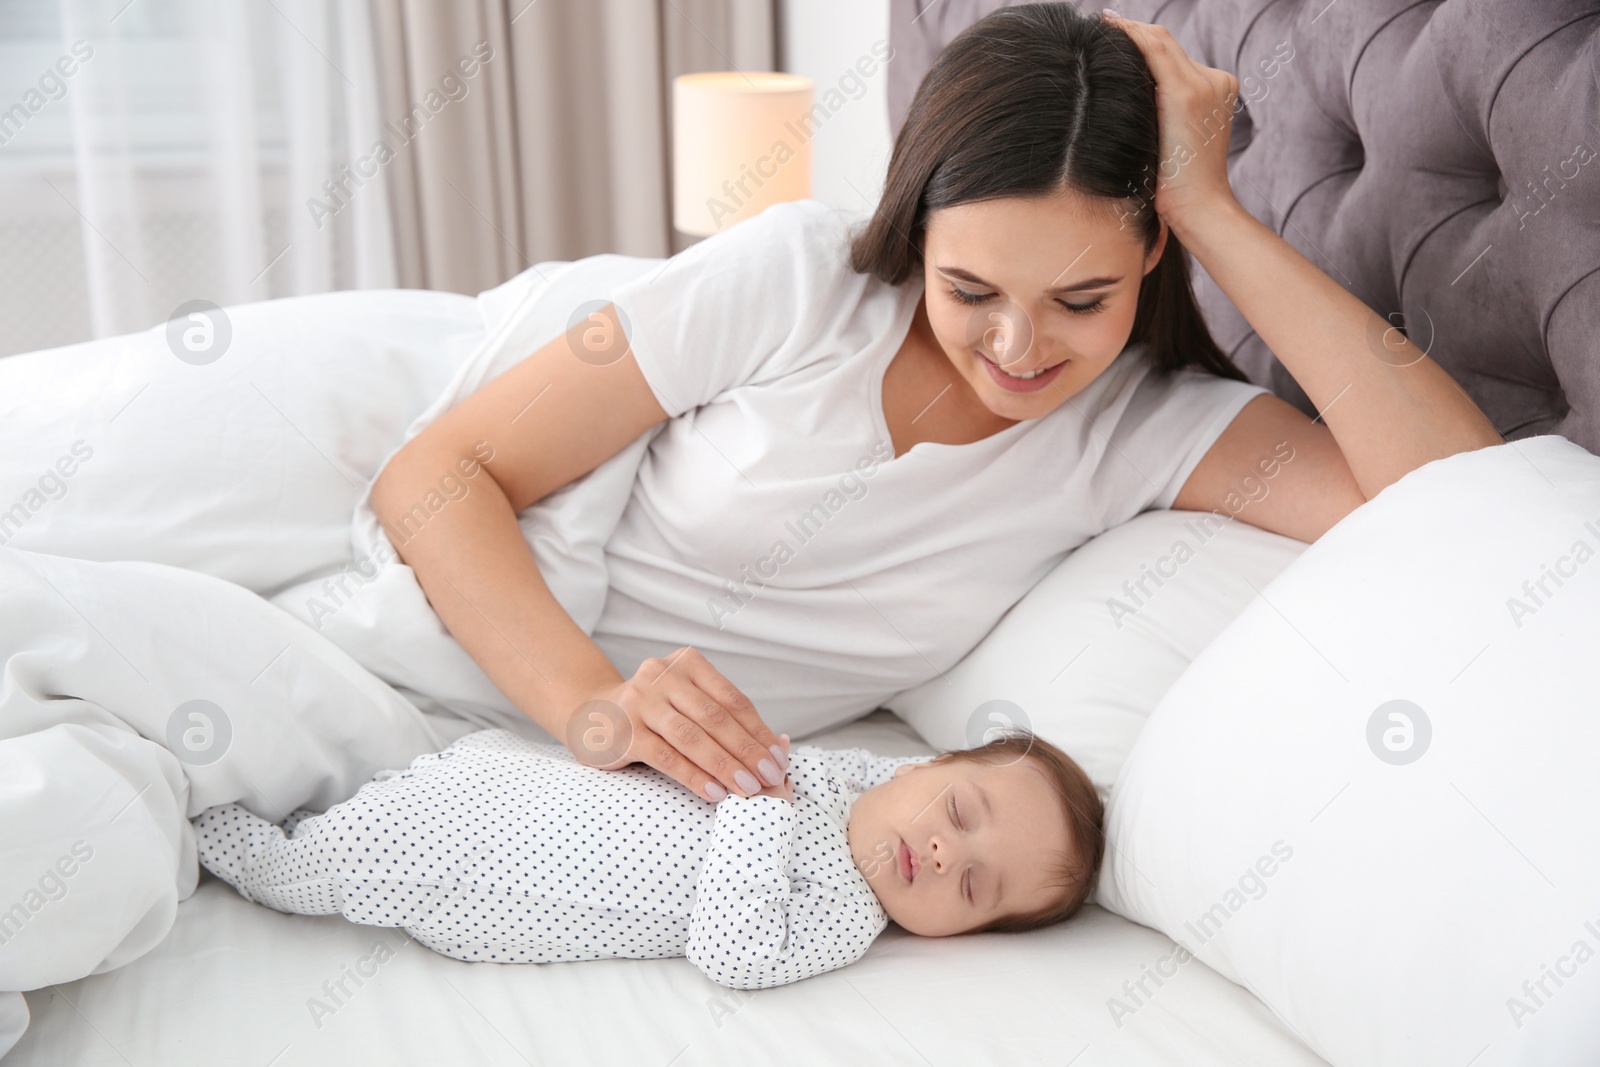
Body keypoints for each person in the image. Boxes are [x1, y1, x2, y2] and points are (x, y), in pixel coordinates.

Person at [365, 2, 1503, 807]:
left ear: (1151, 251)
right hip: (453, 663)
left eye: (1079, 297)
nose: (1015, 347)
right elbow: (436, 474)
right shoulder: (803, 278)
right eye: (970, 289)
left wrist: (1209, 208)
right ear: (918, 230)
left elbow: (1463, 497)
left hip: (571, 776)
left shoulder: (1147, 429)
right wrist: (596, 707)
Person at [190, 728, 1105, 989]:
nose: (946, 852)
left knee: (314, 866)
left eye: (975, 886)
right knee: (348, 767)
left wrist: (758, 811)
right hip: (509, 777)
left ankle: (207, 829)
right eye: (959, 810)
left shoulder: (845, 913)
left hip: (499, 877)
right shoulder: (833, 767)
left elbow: (734, 951)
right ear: (928, 764)